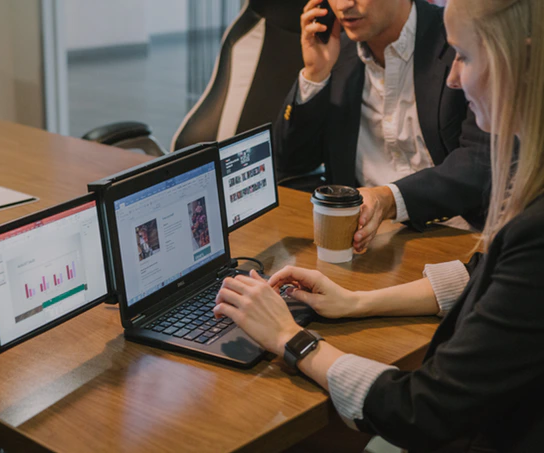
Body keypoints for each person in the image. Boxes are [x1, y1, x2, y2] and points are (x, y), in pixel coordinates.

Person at [217, 0, 544, 450]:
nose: (453, 76)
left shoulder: (533, 228)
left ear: (521, 61)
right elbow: (485, 273)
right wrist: (356, 302)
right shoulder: (338, 52)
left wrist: (291, 338)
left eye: (464, 58)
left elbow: (424, 410)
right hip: (373, 262)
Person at [275, 0, 491, 252]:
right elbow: (290, 166)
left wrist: (389, 199)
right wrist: (315, 74)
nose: (343, 5)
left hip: (460, 237)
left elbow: (481, 161)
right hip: (365, 243)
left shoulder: (460, 40)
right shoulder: (334, 54)